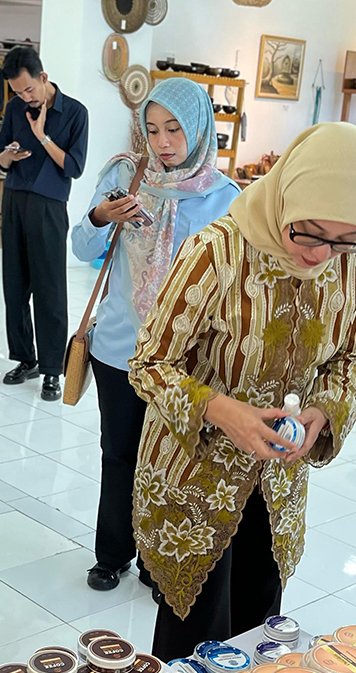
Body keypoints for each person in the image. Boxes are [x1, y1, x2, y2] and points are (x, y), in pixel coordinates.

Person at [128, 123, 356, 660]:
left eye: (343, 240)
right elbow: (149, 363)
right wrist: (224, 412)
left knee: (256, 637)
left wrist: (324, 409)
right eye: (308, 233)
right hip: (193, 482)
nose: (322, 255)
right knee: (191, 647)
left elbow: (351, 358)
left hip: (276, 489)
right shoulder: (217, 252)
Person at [72, 79, 240, 593]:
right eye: (151, 129)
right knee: (119, 454)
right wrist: (101, 216)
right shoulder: (127, 174)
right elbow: (81, 247)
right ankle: (112, 554)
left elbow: (233, 282)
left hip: (182, 362)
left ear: (199, 129)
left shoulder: (225, 197)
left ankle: (156, 556)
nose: (162, 141)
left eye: (173, 129)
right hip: (120, 346)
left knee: (172, 463)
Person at [0, 45, 89, 401]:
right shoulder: (15, 108)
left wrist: (42, 137)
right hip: (15, 199)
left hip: (50, 205)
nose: (24, 97)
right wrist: (9, 155)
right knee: (15, 286)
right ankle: (25, 358)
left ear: (43, 78)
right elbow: (0, 157)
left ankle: (52, 369)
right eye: (18, 92)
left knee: (50, 290)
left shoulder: (75, 113)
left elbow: (74, 167)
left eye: (28, 90)